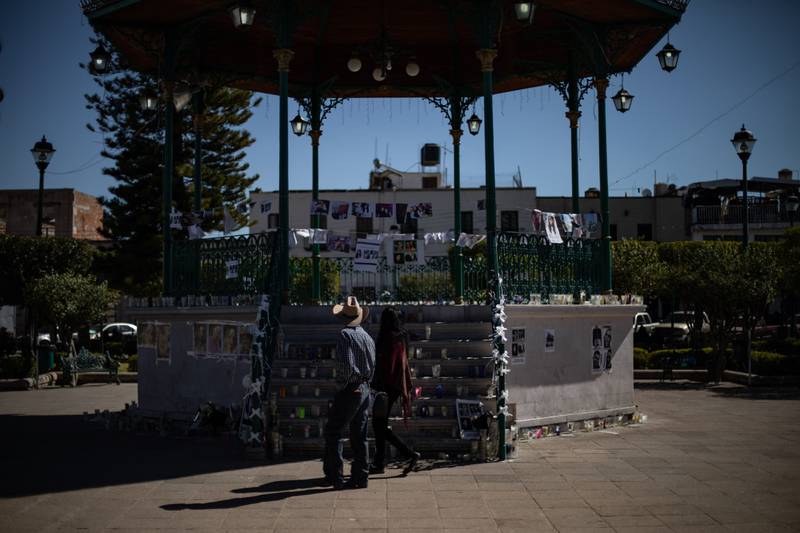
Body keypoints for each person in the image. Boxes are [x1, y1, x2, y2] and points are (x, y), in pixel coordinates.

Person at [323, 296, 375, 490]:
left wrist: (341, 385)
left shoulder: (345, 335)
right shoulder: (367, 336)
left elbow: (345, 365)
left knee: (334, 431)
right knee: (359, 434)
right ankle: (361, 476)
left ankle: (335, 476)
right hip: (365, 388)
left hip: (351, 388)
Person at [370, 307, 420, 475]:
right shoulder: (401, 337)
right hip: (397, 386)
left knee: (379, 425)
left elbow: (387, 365)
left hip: (387, 387)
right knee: (379, 425)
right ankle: (380, 462)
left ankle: (408, 455)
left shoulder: (387, 338)